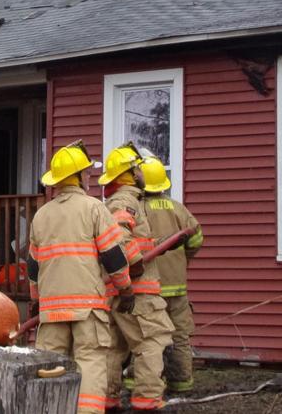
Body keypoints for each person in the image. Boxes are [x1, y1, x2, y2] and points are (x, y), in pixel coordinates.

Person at [29, 142, 137, 414]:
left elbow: (33, 267)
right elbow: (114, 256)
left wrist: (36, 301)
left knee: (51, 366)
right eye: (86, 172)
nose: (89, 177)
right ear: (77, 177)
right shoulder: (94, 209)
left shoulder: (41, 216)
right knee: (90, 362)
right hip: (87, 308)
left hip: (52, 309)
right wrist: (126, 289)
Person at [101, 145, 174, 411]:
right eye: (138, 168)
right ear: (130, 173)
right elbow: (119, 239)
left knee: (115, 347)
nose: (143, 172)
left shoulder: (125, 201)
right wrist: (134, 265)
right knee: (152, 342)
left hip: (120, 292)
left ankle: (108, 402)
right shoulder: (125, 201)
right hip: (137, 293)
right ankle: (147, 404)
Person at [140, 157, 204, 395]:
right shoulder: (178, 208)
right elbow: (197, 238)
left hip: (149, 285)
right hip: (177, 285)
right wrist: (183, 259)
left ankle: (139, 382)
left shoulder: (138, 209)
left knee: (146, 336)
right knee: (179, 335)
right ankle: (181, 383)